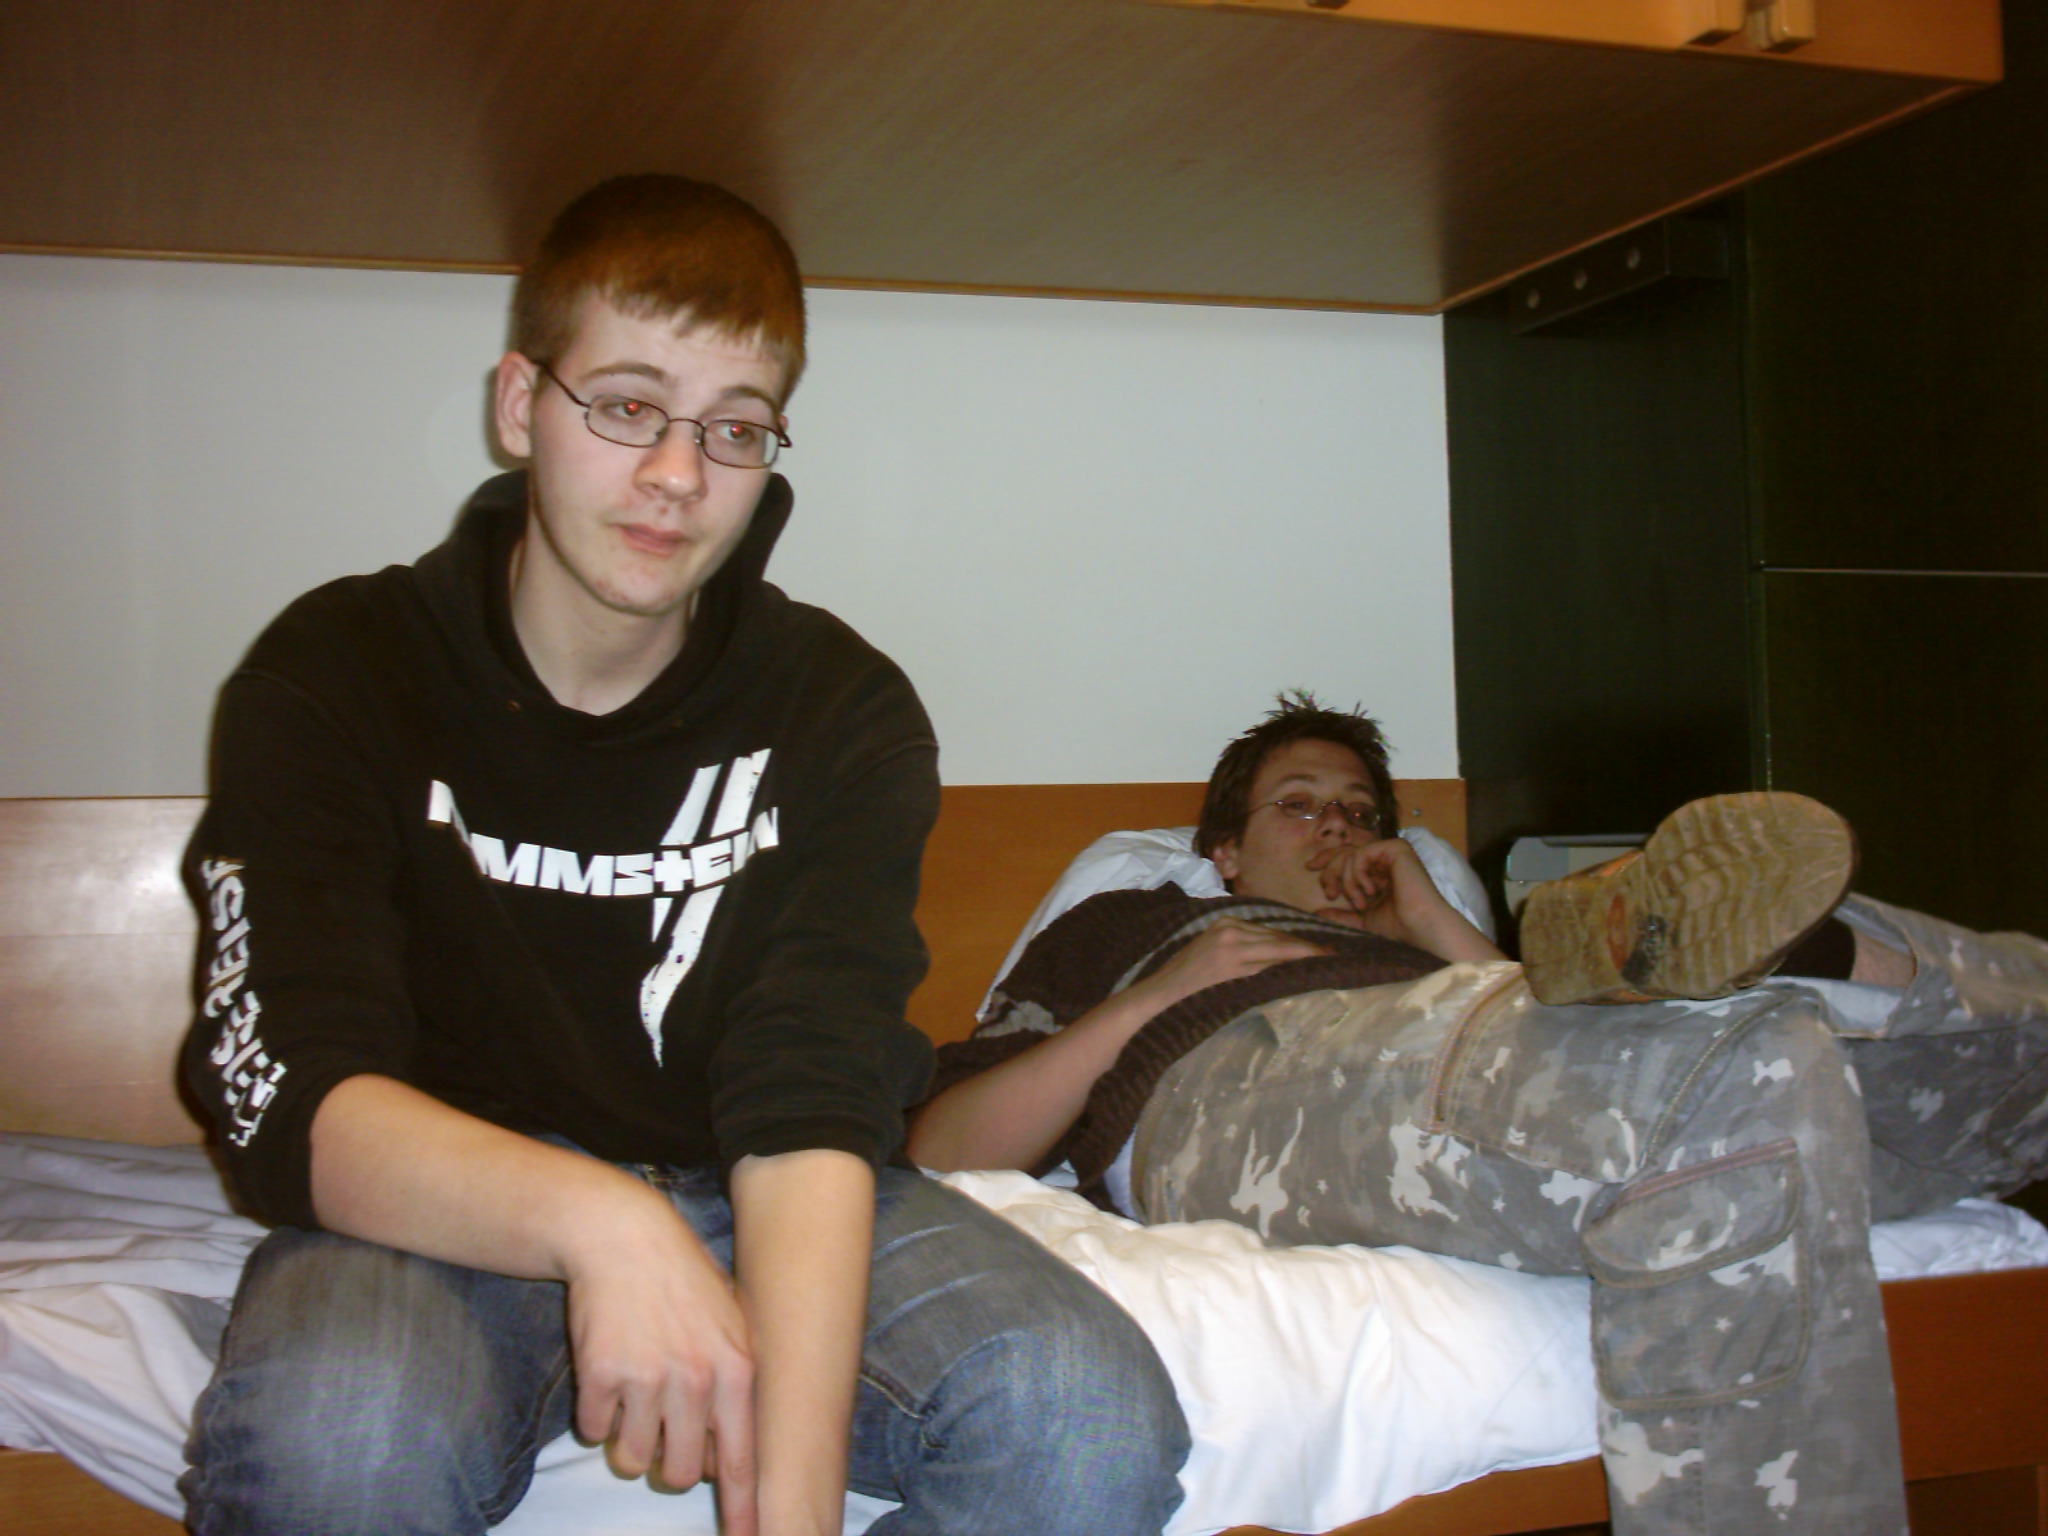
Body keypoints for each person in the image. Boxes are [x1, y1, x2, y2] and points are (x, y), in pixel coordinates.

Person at [178, 174, 1187, 1536]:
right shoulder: (339, 671)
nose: (677, 473)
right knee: (340, 1444)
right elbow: (288, 1095)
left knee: (1082, 1420)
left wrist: (789, 1510)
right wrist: (605, 1224)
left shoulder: (839, 709)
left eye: (735, 427)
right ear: (520, 405)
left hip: (757, 1186)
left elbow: (809, 1096)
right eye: (626, 405)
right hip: (445, 1203)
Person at [910, 692, 2048, 1536]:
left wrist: (1430, 929)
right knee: (1709, 1051)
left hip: (1479, 1020)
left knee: (1908, 1043)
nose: (1334, 832)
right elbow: (946, 1147)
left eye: (1360, 814)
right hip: (1242, 1072)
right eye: (1297, 808)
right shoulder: (1128, 922)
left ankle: (1788, 963)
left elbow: (1508, 1026)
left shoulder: (1419, 935)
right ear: (1223, 851)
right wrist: (1162, 992)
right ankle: (1806, 964)